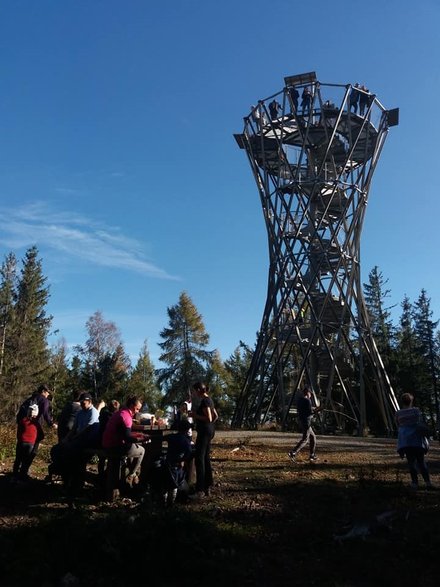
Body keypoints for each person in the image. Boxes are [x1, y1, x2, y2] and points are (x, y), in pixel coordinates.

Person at [101, 396, 149, 487]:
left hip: (106, 444)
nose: (138, 411)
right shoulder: (127, 417)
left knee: (132, 449)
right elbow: (127, 437)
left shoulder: (119, 413)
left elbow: (123, 433)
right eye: (137, 409)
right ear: (131, 405)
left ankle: (127, 477)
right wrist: (141, 439)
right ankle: (131, 474)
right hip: (114, 447)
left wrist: (139, 435)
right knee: (142, 450)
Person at [395, 393, 432, 489]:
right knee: (421, 461)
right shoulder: (416, 411)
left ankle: (415, 483)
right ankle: (428, 482)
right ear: (411, 401)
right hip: (417, 440)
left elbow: (398, 424)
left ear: (402, 401)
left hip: (406, 441)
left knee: (411, 462)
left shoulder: (398, 413)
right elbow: (420, 422)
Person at [190, 381, 218, 498]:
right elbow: (216, 416)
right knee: (206, 458)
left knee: (199, 459)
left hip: (204, 433)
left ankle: (200, 490)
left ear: (198, 390)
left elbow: (209, 417)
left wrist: (195, 415)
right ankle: (208, 484)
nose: (194, 393)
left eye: (194, 391)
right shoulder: (209, 400)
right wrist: (210, 426)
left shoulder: (205, 401)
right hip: (209, 431)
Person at [12, 403, 44, 481]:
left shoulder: (22, 421)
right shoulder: (36, 424)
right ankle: (23, 476)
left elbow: (19, 432)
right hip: (30, 444)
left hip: (21, 442)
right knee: (26, 461)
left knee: (18, 459)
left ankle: (14, 476)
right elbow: (42, 435)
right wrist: (36, 439)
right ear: (36, 414)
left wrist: (19, 439)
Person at [288, 385, 318, 462]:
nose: (310, 395)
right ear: (308, 393)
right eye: (310, 393)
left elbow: (303, 410)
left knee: (313, 437)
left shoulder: (300, 400)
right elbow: (309, 412)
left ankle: (312, 455)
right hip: (307, 422)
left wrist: (313, 410)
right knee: (305, 439)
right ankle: (293, 452)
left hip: (301, 420)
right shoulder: (307, 400)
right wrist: (317, 410)